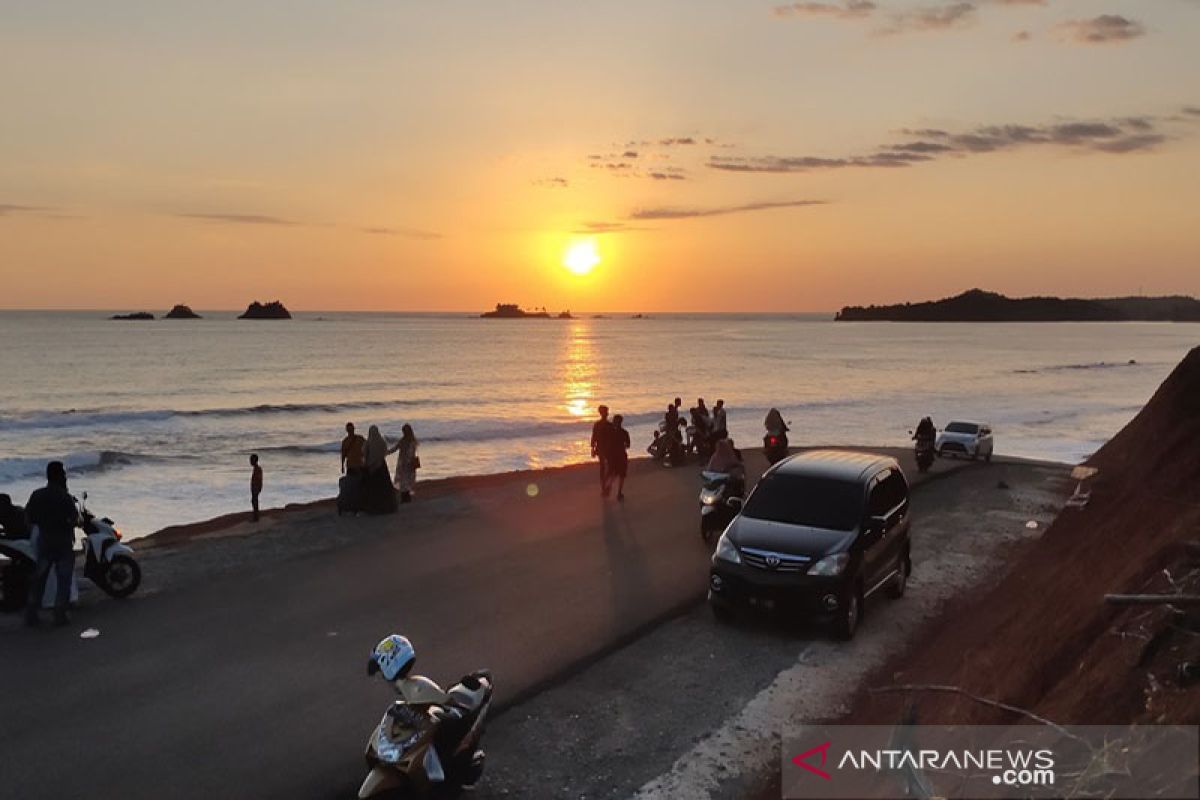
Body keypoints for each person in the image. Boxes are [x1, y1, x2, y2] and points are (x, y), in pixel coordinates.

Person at [24, 461, 79, 627]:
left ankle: (31, 613)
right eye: (63, 473)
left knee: (39, 579)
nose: (65, 475)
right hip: (62, 542)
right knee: (64, 579)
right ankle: (59, 613)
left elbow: (29, 518)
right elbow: (74, 519)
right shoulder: (64, 496)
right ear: (59, 475)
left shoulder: (37, 495)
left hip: (45, 540)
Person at [363, 425, 398, 514]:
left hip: (371, 468)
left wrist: (367, 464)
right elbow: (385, 452)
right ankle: (386, 507)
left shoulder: (368, 442)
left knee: (372, 489)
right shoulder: (382, 441)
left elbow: (364, 453)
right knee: (384, 488)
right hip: (381, 466)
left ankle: (374, 508)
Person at [591, 405, 615, 497]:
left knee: (607, 468)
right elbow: (594, 437)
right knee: (605, 468)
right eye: (606, 412)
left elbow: (594, 437)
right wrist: (592, 448)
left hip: (606, 449)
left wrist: (593, 448)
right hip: (603, 449)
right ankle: (604, 487)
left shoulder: (607, 425)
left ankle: (605, 486)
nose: (607, 413)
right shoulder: (600, 425)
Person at [608, 414, 632, 501]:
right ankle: (619, 492)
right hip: (621, 454)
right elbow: (628, 445)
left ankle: (610, 486)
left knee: (614, 473)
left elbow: (608, 445)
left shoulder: (610, 433)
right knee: (622, 474)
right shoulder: (624, 432)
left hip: (613, 455)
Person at [394, 424, 420, 504]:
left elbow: (410, 452)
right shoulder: (407, 440)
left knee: (406, 480)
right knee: (405, 480)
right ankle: (405, 497)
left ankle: (405, 498)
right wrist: (387, 452)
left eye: (404, 430)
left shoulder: (411, 441)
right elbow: (396, 448)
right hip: (404, 463)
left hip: (407, 463)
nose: (404, 432)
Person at [249, 454, 263, 522]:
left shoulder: (258, 469)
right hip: (255, 487)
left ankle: (256, 518)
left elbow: (259, 479)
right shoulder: (256, 468)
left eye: (251, 460)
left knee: (254, 501)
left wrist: (258, 487)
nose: (250, 462)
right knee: (254, 501)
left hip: (256, 488)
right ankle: (255, 516)